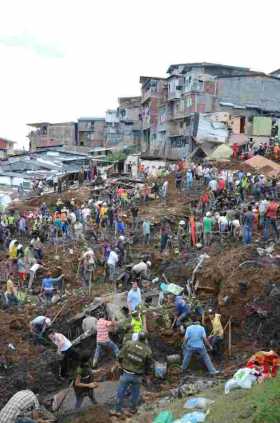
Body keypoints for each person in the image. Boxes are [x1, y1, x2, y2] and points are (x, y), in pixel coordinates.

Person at [112, 333, 152, 417]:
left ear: (138, 337)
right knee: (135, 394)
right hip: (137, 376)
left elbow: (119, 356)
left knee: (120, 392)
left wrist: (119, 365)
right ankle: (132, 409)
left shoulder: (129, 344)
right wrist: (147, 377)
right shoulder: (148, 351)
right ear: (145, 340)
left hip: (125, 373)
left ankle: (117, 410)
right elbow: (148, 367)